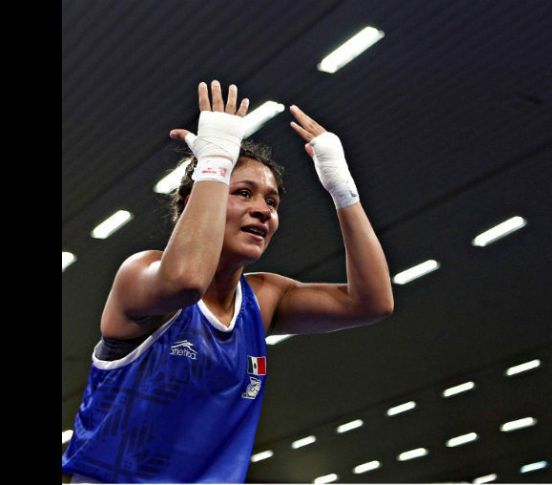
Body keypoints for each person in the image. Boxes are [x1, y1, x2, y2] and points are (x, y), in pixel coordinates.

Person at [61, 80, 394, 483]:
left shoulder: (265, 297)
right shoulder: (141, 274)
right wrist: (215, 160)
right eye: (243, 193)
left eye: (271, 202)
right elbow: (186, 282)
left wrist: (343, 190)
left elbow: (372, 302)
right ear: (196, 198)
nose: (262, 210)